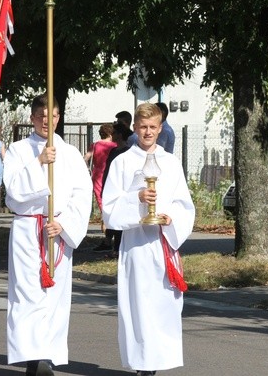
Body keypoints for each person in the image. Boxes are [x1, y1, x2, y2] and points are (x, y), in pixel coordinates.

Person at [102, 103, 195, 376]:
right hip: (137, 245)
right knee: (139, 305)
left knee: (164, 304)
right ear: (135, 128)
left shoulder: (171, 162)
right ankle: (143, 365)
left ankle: (159, 361)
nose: (148, 132)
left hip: (164, 242)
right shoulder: (122, 161)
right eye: (143, 127)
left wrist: (171, 217)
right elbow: (109, 207)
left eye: (153, 127)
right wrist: (136, 199)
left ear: (160, 127)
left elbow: (183, 203)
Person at [3, 94, 93, 376]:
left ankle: (48, 354)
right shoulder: (18, 150)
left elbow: (82, 194)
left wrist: (64, 223)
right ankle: (33, 356)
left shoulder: (71, 153)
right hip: (28, 230)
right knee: (27, 294)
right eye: (41, 116)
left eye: (52, 116)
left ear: (58, 118)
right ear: (32, 118)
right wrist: (39, 162)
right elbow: (13, 192)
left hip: (57, 231)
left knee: (54, 295)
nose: (47, 121)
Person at [100, 122, 133, 258]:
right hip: (110, 187)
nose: (111, 136)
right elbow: (107, 170)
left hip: (122, 191)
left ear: (119, 135)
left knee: (120, 220)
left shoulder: (127, 152)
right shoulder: (113, 151)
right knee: (111, 218)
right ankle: (113, 245)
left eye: (114, 133)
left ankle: (118, 248)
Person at [85, 123, 118, 252]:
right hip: (110, 175)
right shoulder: (114, 146)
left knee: (102, 203)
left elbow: (86, 158)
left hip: (97, 176)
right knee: (111, 204)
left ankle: (106, 235)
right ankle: (109, 235)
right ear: (111, 134)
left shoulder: (95, 145)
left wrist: (88, 169)